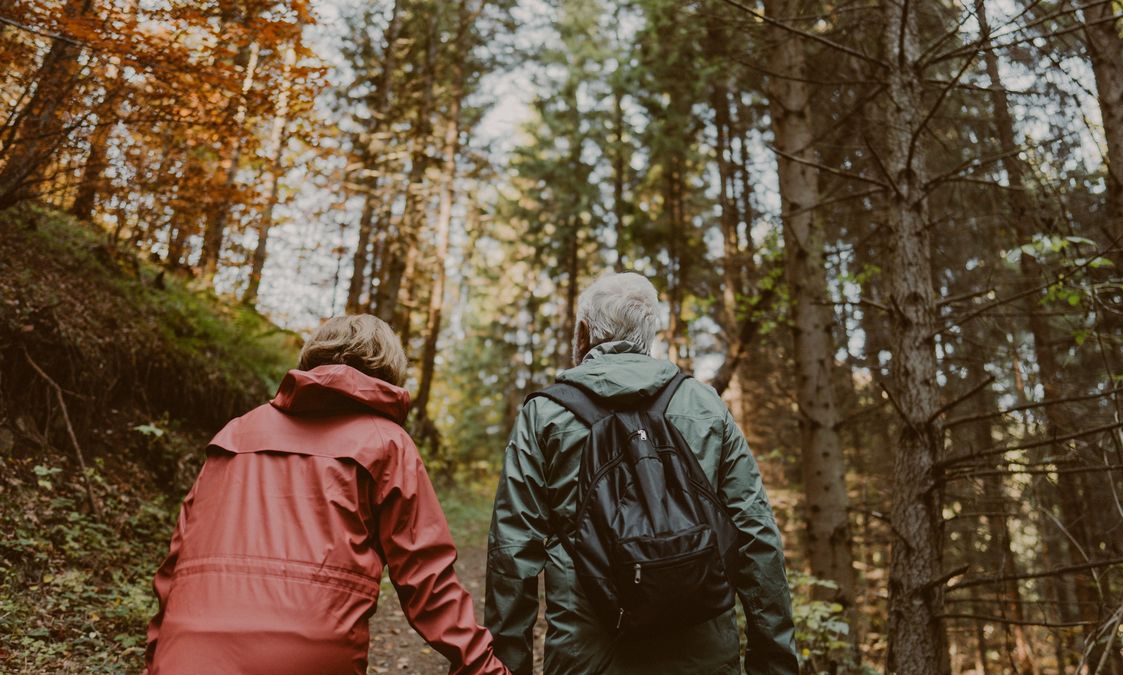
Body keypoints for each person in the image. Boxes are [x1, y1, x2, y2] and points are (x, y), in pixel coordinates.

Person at [143, 314, 509, 675]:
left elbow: (176, 564)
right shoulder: (386, 443)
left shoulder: (235, 433)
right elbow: (427, 580)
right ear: (390, 370)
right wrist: (483, 666)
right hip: (307, 656)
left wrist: (156, 658)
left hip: (188, 652)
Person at [485, 272, 800, 675]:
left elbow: (512, 550)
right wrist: (773, 662)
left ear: (583, 333)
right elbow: (757, 536)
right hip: (704, 656)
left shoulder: (545, 414)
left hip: (588, 656)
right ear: (648, 336)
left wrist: (508, 666)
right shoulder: (704, 404)